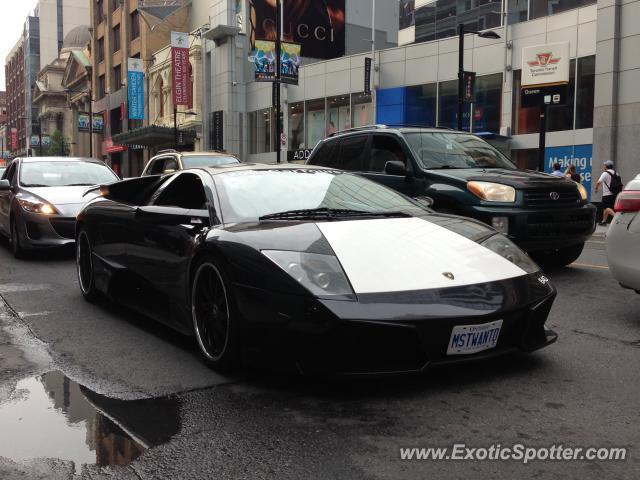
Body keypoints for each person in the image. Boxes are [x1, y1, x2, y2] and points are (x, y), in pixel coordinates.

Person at [595, 160, 618, 225]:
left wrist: (596, 189)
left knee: (607, 208)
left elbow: (599, 182)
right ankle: (604, 221)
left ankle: (616, 217)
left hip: (607, 194)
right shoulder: (616, 173)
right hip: (614, 193)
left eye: (604, 165)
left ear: (606, 166)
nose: (604, 166)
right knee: (605, 208)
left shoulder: (605, 173)